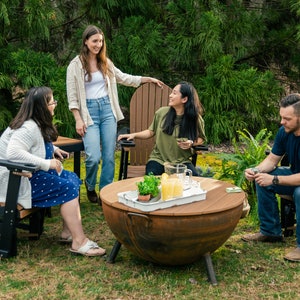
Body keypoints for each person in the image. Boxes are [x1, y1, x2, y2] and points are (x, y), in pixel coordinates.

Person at [0, 86, 106, 257]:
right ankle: (79, 241)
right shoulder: (28, 127)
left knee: (71, 178)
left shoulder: (34, 122)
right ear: (42, 106)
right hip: (16, 182)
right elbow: (13, 152)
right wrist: (46, 162)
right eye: (52, 102)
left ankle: (67, 232)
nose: (55, 105)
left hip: (26, 174)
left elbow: (32, 144)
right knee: (68, 188)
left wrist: (53, 148)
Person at [66, 25, 164, 204]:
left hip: (107, 111)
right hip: (88, 113)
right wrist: (78, 119)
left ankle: (105, 192)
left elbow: (124, 78)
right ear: (86, 41)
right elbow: (72, 96)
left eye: (101, 41)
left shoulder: (105, 62)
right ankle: (89, 185)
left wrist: (146, 79)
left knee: (109, 156)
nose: (98, 44)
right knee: (93, 156)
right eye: (95, 41)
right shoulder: (75, 65)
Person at [242, 93, 300, 262]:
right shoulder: (285, 131)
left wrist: (274, 180)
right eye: (281, 117)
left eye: (287, 118)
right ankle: (270, 232)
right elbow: (272, 159)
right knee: (262, 179)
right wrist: (256, 170)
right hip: (294, 176)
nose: (282, 122)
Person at [118, 81, 206, 176]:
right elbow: (151, 132)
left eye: (174, 93)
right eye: (171, 92)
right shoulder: (162, 113)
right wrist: (133, 135)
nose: (170, 95)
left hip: (181, 162)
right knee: (151, 178)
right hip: (158, 159)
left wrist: (191, 143)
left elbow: (201, 139)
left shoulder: (195, 119)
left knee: (194, 180)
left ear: (184, 99)